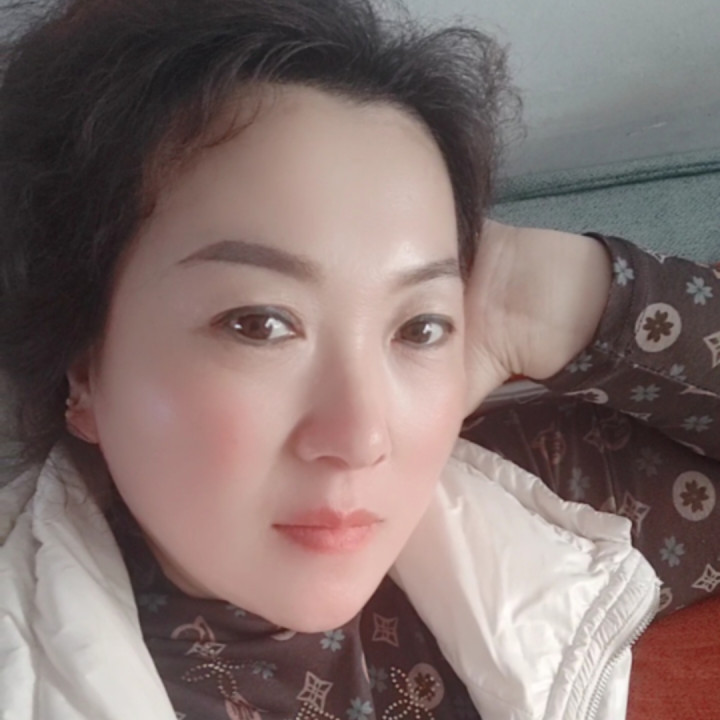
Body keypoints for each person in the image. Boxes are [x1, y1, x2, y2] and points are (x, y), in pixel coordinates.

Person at [0, 1, 717, 719]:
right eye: (260, 324)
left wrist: (550, 298)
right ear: (84, 368)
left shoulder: (524, 520)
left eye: (420, 327)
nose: (362, 438)